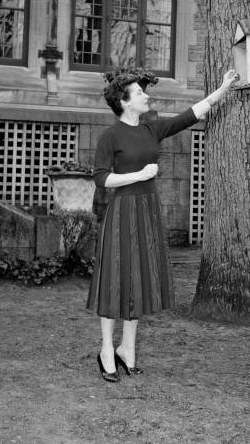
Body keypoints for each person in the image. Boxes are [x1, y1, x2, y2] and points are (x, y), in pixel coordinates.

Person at [86, 67, 238, 382]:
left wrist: (223, 88)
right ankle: (105, 350)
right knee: (115, 278)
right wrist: (139, 176)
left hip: (147, 211)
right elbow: (101, 178)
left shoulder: (151, 129)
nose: (146, 95)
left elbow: (190, 115)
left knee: (138, 278)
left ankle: (127, 350)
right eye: (140, 92)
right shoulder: (111, 135)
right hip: (122, 211)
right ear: (125, 102)